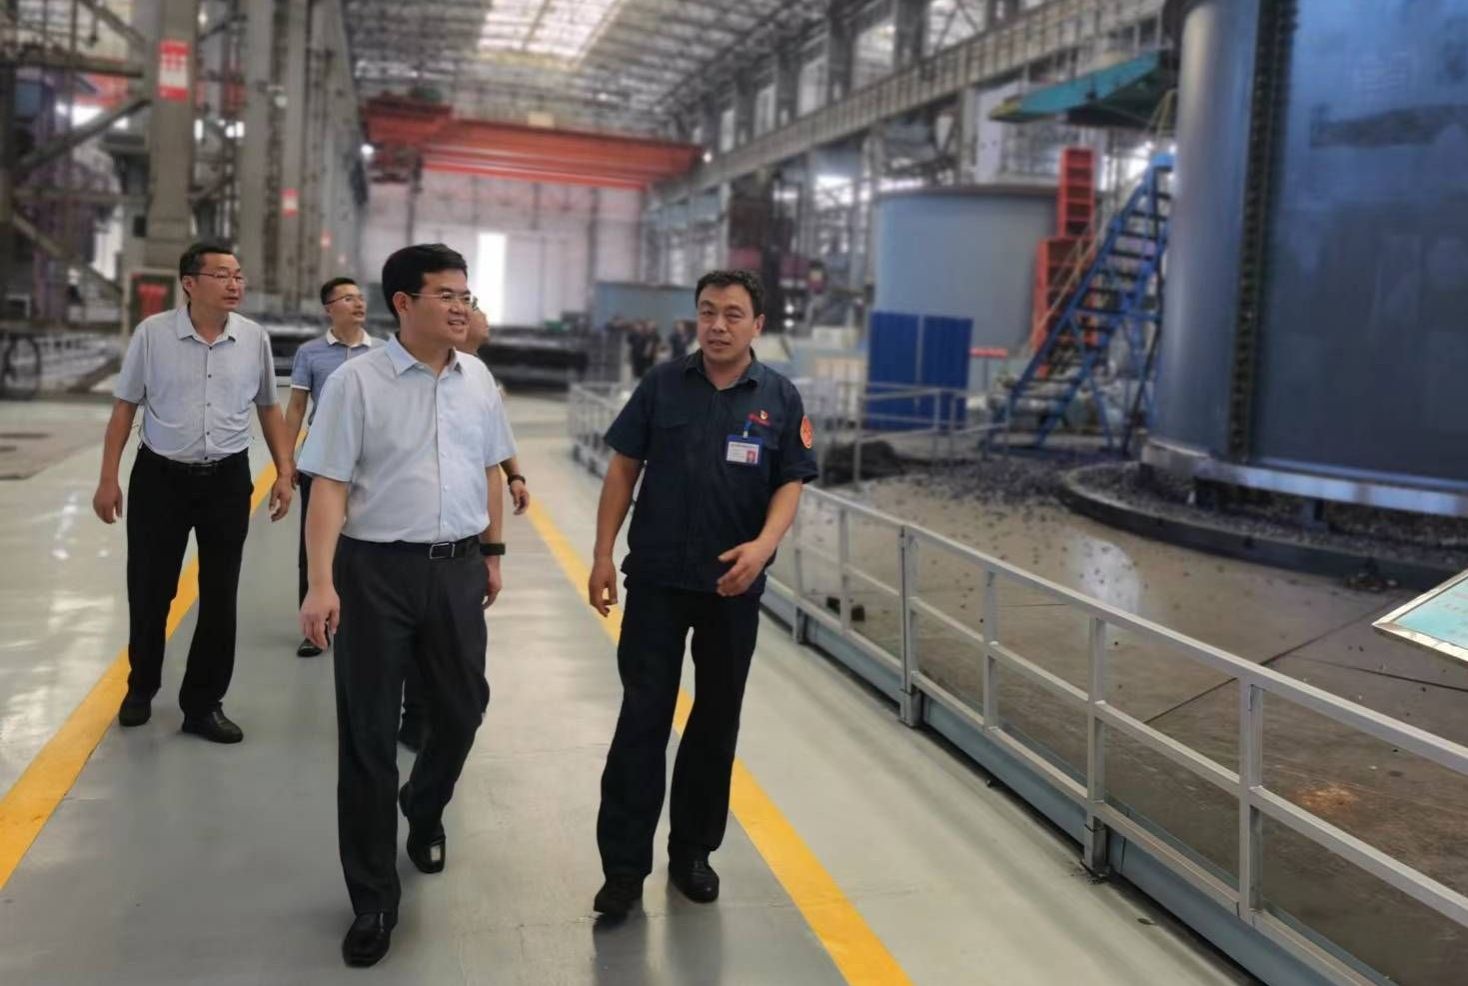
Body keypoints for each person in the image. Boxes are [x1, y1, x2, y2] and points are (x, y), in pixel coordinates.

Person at [297, 243, 515, 968]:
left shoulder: (477, 379)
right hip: (374, 573)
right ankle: (373, 899)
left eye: (465, 295)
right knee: (367, 735)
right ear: (404, 303)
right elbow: (329, 485)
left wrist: (492, 553)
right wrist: (320, 582)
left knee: (463, 708)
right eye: (446, 294)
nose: (461, 307)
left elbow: (490, 466)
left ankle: (423, 806)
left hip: (456, 570)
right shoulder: (356, 384)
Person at [586, 269, 818, 917]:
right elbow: (623, 469)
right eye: (708, 311)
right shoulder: (662, 384)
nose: (717, 325)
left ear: (757, 325)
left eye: (733, 314)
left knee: (715, 721)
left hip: (731, 589)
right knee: (642, 720)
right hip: (657, 582)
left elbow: (791, 480)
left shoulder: (778, 397)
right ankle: (623, 870)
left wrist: (763, 545)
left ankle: (693, 851)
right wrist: (602, 553)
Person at [92, 241, 294, 744]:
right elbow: (125, 407)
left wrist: (284, 471)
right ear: (189, 283)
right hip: (159, 479)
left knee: (221, 594)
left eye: (238, 275)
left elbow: (269, 407)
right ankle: (141, 687)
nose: (235, 284)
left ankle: (203, 705)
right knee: (150, 588)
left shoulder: (253, 338)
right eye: (222, 275)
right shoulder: (152, 335)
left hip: (227, 480)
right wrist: (108, 477)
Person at [397, 303, 530, 753]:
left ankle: (446, 719)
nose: (480, 317)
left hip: (461, 540)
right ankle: (417, 718)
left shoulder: (478, 378)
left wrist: (514, 477)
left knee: (459, 656)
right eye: (474, 310)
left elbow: (493, 450)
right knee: (418, 645)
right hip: (407, 541)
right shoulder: (401, 380)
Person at [283, 277, 373, 658]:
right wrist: (285, 462)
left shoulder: (383, 353)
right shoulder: (310, 353)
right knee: (316, 545)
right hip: (321, 464)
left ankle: (362, 621)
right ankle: (315, 627)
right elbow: (296, 408)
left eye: (360, 297)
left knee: (366, 543)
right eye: (348, 298)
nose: (358, 303)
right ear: (329, 308)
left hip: (368, 464)